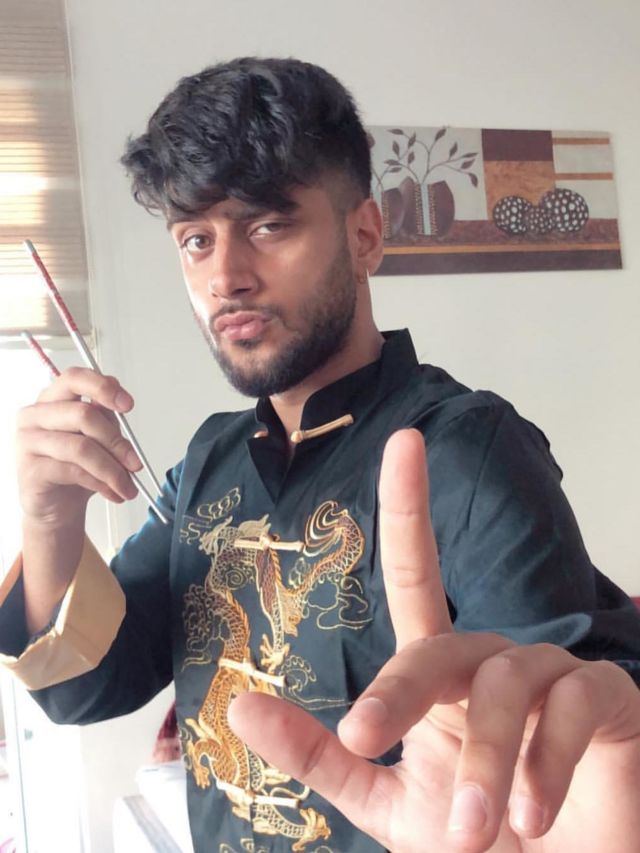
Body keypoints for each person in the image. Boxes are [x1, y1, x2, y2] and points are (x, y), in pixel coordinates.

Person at [1, 57, 639, 853]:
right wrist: (49, 521)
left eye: (268, 225)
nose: (225, 277)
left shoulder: (469, 449)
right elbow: (86, 686)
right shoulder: (209, 460)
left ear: (364, 233)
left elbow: (570, 731)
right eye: (196, 240)